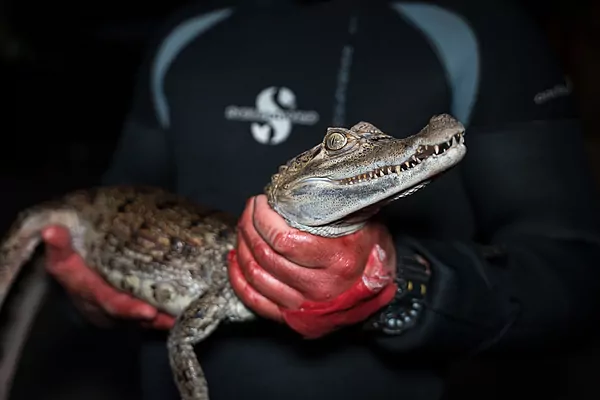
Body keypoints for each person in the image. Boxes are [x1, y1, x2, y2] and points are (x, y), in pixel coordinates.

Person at [40, 0, 600, 399]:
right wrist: (83, 293)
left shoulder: (479, 26)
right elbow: (111, 205)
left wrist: (400, 284)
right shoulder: (186, 26)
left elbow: (576, 275)